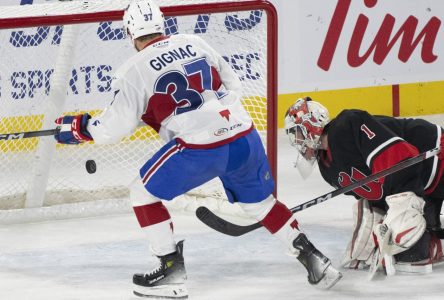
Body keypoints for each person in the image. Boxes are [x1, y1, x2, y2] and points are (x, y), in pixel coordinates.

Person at [53, 0, 342, 298]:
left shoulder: (133, 69)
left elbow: (113, 128)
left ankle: (170, 271)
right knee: (261, 205)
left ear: (130, 32)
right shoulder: (194, 42)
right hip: (244, 136)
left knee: (142, 193)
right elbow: (233, 85)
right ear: (161, 24)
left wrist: (80, 128)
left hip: (200, 148)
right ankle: (315, 259)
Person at [284, 96, 444, 275]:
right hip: (425, 185)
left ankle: (422, 237)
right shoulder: (327, 168)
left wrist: (401, 213)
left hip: (437, 155)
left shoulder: (347, 125)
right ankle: (433, 238)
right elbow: (374, 196)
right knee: (397, 251)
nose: (297, 141)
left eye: (297, 133)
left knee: (407, 240)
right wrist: (373, 230)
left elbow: (400, 159)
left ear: (310, 123)